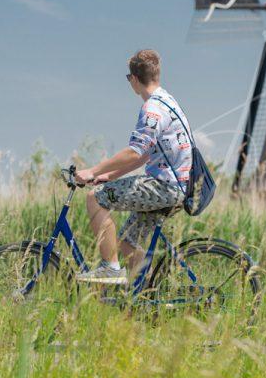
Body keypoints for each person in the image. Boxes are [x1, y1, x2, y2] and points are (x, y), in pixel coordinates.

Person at [75, 49, 192, 284]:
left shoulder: (152, 109)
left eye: (129, 78)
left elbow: (134, 152)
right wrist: (108, 175)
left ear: (134, 79)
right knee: (127, 243)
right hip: (178, 186)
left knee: (95, 198)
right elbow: (143, 155)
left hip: (165, 187)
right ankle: (146, 297)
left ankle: (110, 269)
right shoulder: (168, 101)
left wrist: (92, 171)